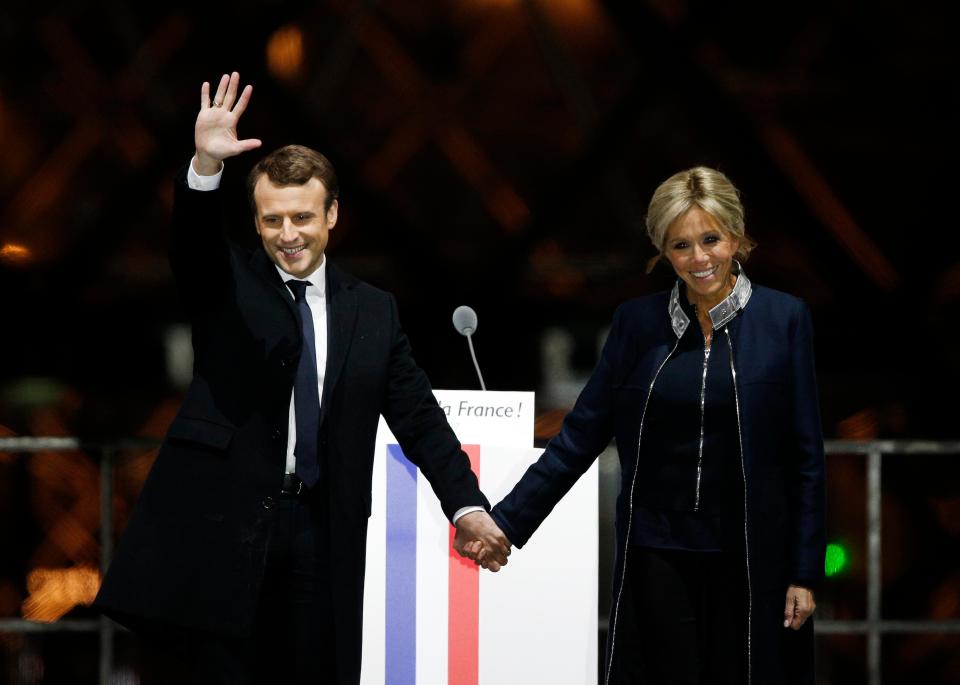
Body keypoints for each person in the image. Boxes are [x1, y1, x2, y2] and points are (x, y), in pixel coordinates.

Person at [94, 72, 511, 685]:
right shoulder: (226, 285)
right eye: (271, 222)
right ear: (256, 222)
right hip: (230, 528)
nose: (287, 235)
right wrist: (205, 165)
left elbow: (419, 418)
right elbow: (192, 249)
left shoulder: (374, 310)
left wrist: (467, 505)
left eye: (301, 218)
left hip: (325, 529)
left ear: (332, 214)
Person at [465, 166, 825, 683]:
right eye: (681, 245)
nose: (699, 258)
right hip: (657, 553)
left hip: (753, 557)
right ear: (662, 249)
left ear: (737, 239)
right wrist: (505, 522)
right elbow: (580, 436)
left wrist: (804, 572)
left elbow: (806, 459)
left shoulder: (785, 319)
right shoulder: (636, 324)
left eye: (710, 239)